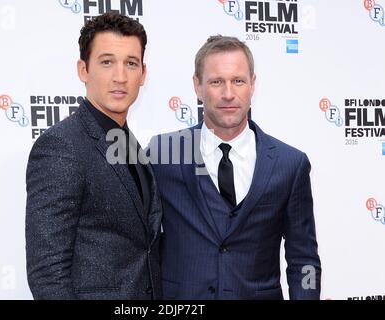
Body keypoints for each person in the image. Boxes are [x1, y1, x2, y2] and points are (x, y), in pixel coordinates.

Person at [149, 35, 321, 299]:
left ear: (252, 84)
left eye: (238, 81)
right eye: (216, 81)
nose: (228, 94)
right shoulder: (163, 153)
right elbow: (138, 245)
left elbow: (304, 260)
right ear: (197, 86)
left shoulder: (290, 164)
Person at [25, 12, 162, 300]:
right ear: (83, 70)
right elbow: (48, 273)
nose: (120, 77)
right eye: (107, 62)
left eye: (131, 63)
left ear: (143, 74)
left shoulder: (130, 143)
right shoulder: (61, 146)